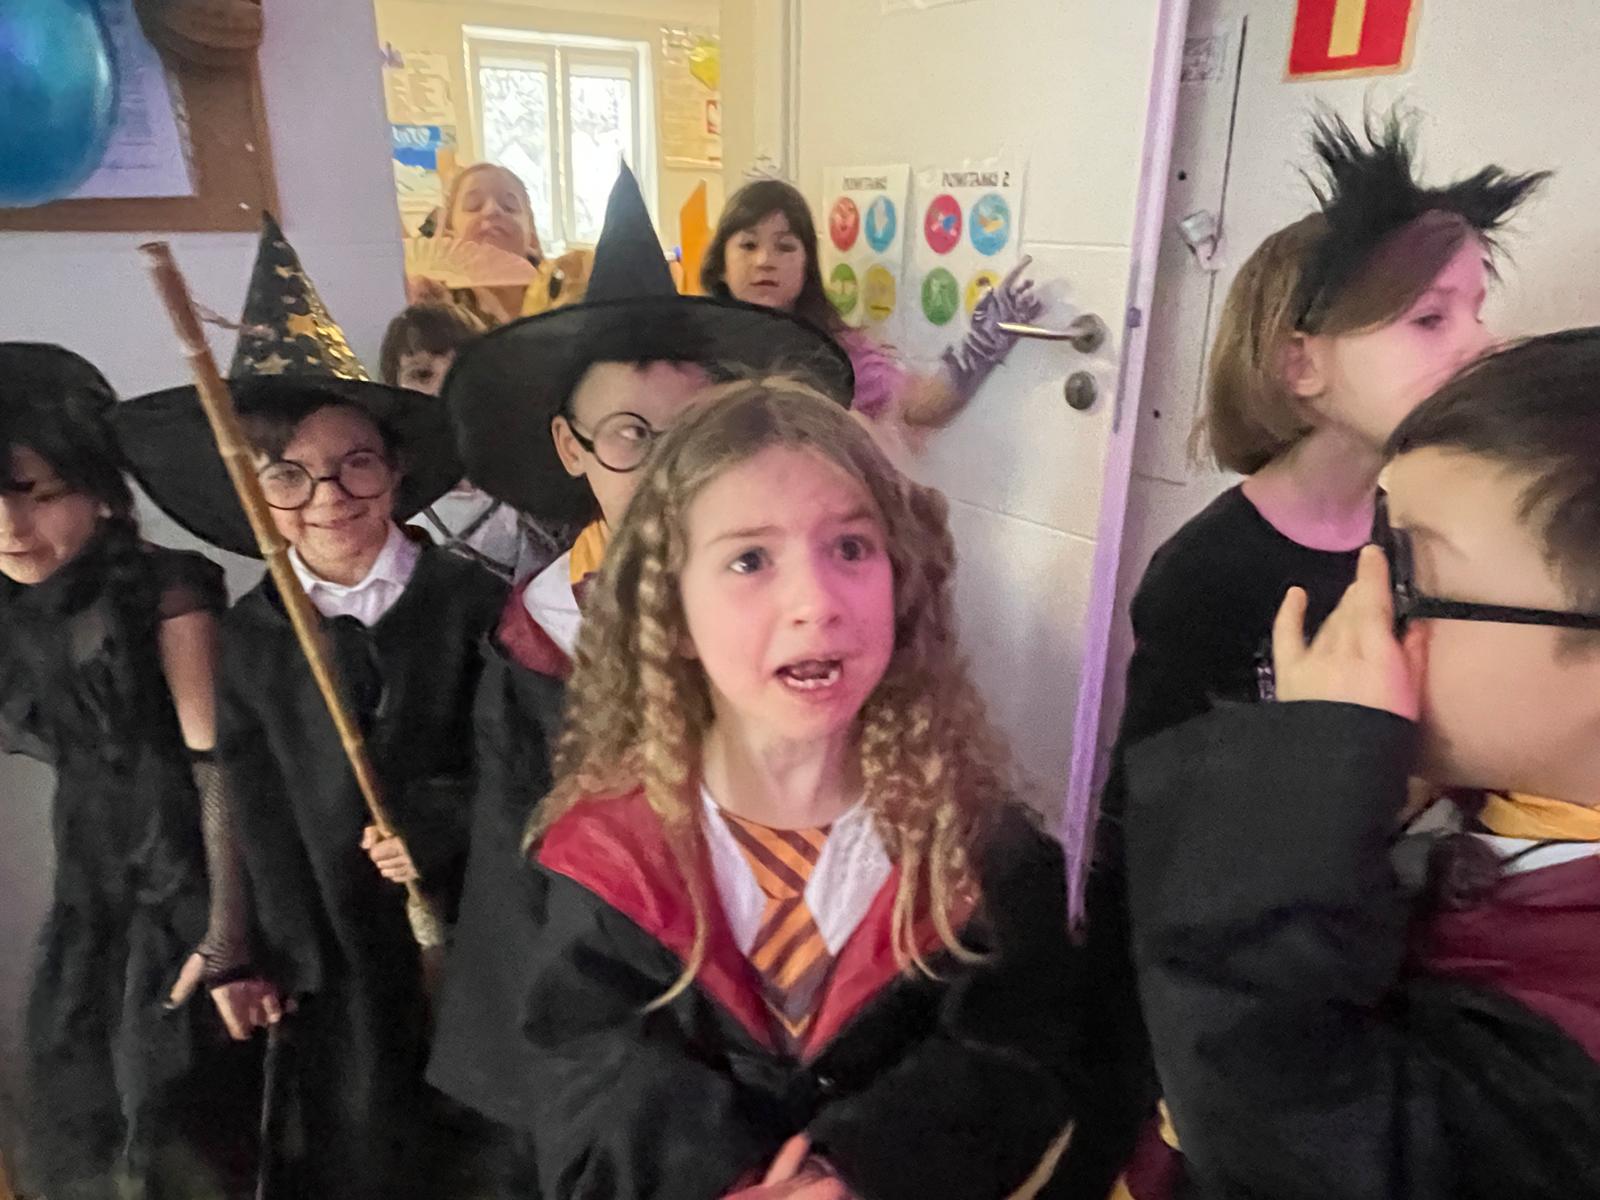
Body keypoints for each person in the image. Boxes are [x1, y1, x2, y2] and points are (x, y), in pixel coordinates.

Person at [480, 376, 1122, 1199]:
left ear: (901, 582)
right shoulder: (611, 857)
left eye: (850, 548)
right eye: (750, 559)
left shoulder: (976, 851)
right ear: (670, 612)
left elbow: (1017, 1060)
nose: (815, 602)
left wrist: (856, 1168)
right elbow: (589, 1075)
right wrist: (731, 1178)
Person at [427, 165, 854, 1192]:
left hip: (771, 990)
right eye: (630, 436)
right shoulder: (538, 639)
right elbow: (525, 889)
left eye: (694, 434)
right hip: (604, 1013)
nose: (666, 470)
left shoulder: (791, 613)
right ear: (571, 447)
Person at [1124, 327, 1600, 1198]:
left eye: (1411, 578)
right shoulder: (1489, 795)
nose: (1360, 609)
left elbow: (1282, 1124)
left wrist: (1304, 782)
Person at [112, 222, 507, 1199]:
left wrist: (438, 824)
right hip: (331, 953)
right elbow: (245, 797)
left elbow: (523, 762)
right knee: (362, 1142)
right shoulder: (252, 636)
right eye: (286, 474)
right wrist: (246, 945)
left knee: (482, 1148)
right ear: (253, 492)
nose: (327, 497)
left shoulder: (470, 605)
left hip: (468, 935)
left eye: (355, 463)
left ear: (396, 467)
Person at [0, 344, 244, 1197]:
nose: (9, 526)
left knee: (181, 1125)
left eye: (36, 495)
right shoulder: (16, 611)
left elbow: (218, 767)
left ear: (99, 488)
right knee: (80, 1113)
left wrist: (228, 931)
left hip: (187, 880)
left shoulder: (164, 591)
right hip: (90, 886)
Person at [702, 177, 1042, 442]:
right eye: (748, 245)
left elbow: (916, 408)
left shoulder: (834, 351)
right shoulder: (690, 348)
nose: (764, 260)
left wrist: (980, 349)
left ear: (807, 266)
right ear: (721, 264)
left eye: (785, 247)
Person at [380, 301, 568, 581]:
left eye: (461, 368)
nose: (444, 387)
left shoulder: (546, 471)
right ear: (394, 388)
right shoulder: (388, 499)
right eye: (422, 374)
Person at [409, 162, 594, 326]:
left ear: (532, 237)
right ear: (449, 235)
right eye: (474, 206)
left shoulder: (561, 296)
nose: (492, 210)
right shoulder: (435, 305)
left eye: (509, 207)